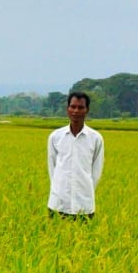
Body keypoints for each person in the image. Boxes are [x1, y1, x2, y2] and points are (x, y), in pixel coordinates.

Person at [48, 91, 103, 219]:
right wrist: (59, 189)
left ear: (87, 110)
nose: (76, 111)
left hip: (84, 206)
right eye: (73, 106)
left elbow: (96, 171)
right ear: (67, 109)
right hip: (58, 204)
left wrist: (85, 191)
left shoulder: (95, 138)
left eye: (80, 107)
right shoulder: (55, 137)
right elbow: (52, 168)